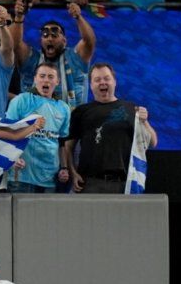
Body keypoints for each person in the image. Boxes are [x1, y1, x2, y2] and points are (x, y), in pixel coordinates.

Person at [64, 62, 158, 194]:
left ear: (114, 82)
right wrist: (73, 173)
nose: (102, 82)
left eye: (107, 78)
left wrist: (145, 121)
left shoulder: (131, 109)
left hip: (124, 185)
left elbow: (152, 142)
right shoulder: (81, 112)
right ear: (91, 85)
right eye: (97, 80)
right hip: (89, 183)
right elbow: (68, 147)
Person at [10, 0, 95, 108]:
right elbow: (15, 45)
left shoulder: (74, 57)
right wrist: (19, 17)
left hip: (74, 121)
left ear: (64, 41)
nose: (50, 38)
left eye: (55, 34)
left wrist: (78, 17)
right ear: (40, 40)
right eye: (45, 34)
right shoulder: (32, 59)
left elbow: (89, 42)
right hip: (34, 121)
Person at [5, 62, 71, 193]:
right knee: (19, 214)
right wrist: (11, 158)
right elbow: (6, 133)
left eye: (51, 77)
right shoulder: (20, 101)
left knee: (47, 214)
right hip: (21, 176)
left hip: (49, 178)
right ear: (35, 79)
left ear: (57, 81)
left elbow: (62, 142)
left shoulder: (64, 108)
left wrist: (64, 168)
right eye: (42, 76)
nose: (46, 80)